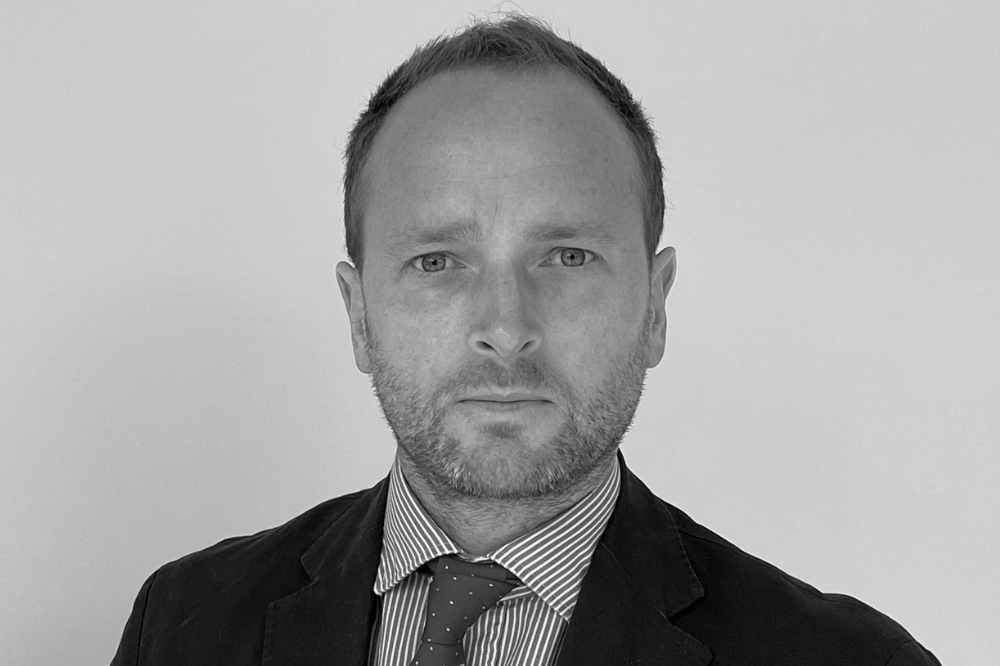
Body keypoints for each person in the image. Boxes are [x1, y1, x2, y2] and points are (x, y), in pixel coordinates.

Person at [111, 15, 940, 666]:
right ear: (358, 316)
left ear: (654, 307)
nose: (506, 330)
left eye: (567, 257)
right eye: (437, 262)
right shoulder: (183, 624)